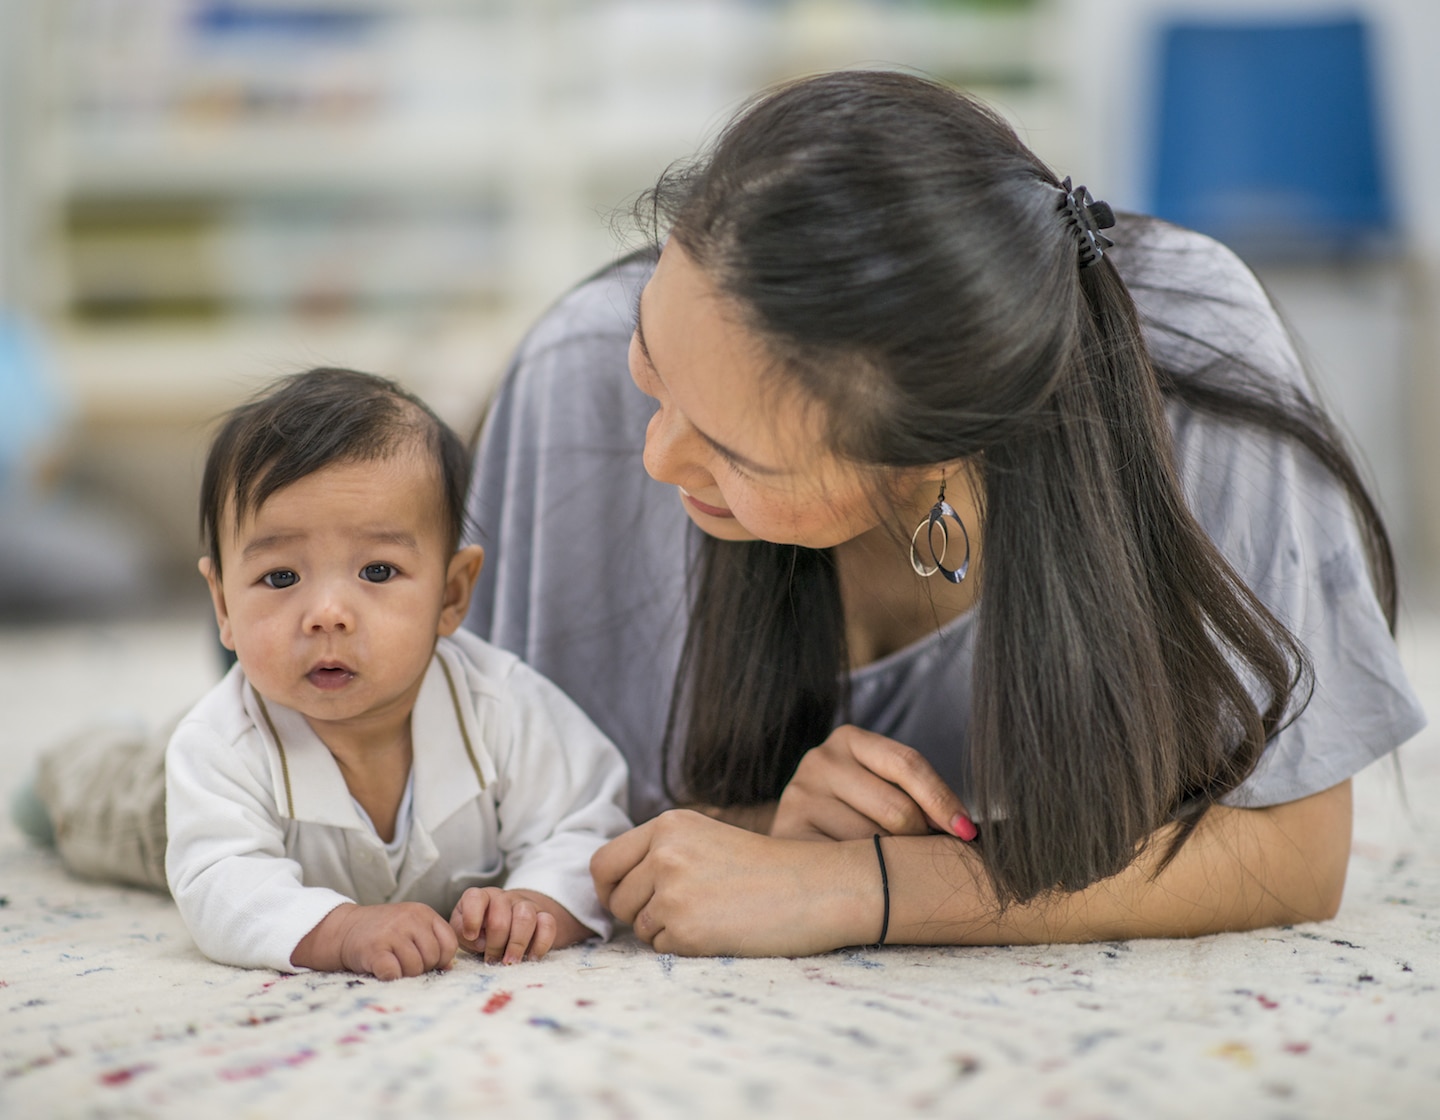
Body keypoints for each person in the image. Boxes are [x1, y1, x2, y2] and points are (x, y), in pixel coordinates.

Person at [465, 70, 1425, 956]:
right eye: (651, 365)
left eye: (735, 453)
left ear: (929, 467)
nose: (654, 454)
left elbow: (1294, 851)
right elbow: (501, 838)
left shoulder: (1193, 355)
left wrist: (860, 887)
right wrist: (761, 833)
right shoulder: (574, 375)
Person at [161, 367, 630, 979]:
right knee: (121, 811)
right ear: (223, 605)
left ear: (452, 594)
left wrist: (537, 902)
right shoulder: (215, 747)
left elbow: (584, 819)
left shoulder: (503, 705)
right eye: (281, 577)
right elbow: (219, 883)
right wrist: (343, 930)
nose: (327, 615)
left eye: (377, 572)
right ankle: (78, 776)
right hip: (161, 812)